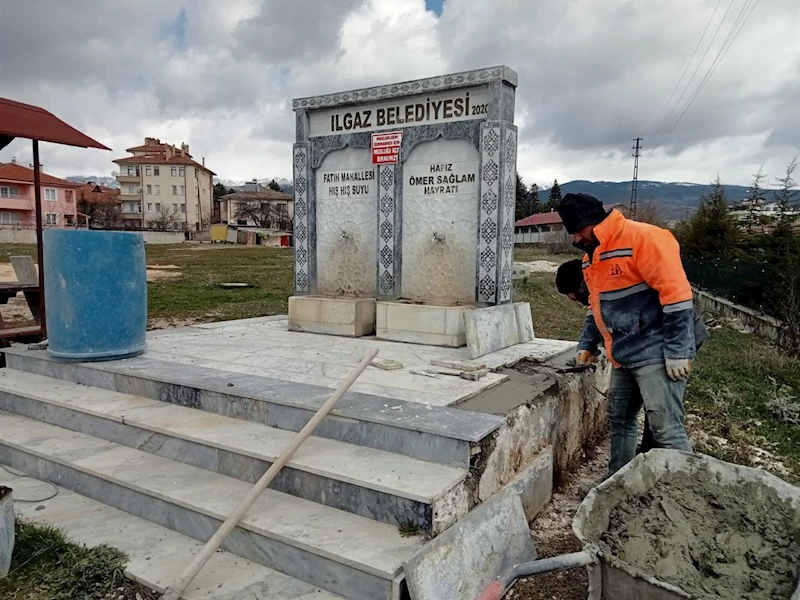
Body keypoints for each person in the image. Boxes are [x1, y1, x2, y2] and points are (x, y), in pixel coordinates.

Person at [557, 193, 703, 479]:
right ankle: (615, 488)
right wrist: (587, 344)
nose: (575, 238)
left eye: (577, 230)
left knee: (665, 427)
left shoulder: (644, 239)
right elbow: (595, 308)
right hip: (624, 355)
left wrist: (677, 350)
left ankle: (686, 496)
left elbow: (677, 298)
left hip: (656, 352)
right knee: (620, 420)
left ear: (593, 222)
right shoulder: (591, 260)